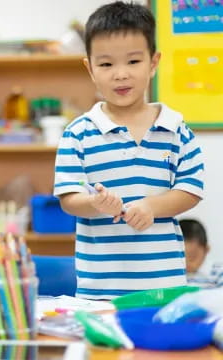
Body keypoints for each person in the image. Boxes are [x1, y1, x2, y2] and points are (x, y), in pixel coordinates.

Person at [54, 2, 204, 300]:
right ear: (90, 68)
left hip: (164, 286)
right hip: (99, 291)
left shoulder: (177, 130)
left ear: (153, 62)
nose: (120, 74)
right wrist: (96, 203)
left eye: (133, 62)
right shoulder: (78, 133)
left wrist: (151, 207)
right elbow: (69, 199)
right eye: (107, 64)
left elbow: (190, 190)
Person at [181, 219, 222, 288]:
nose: (186, 263)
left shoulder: (219, 272)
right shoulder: (173, 275)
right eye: (181, 258)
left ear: (206, 250)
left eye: (192, 257)